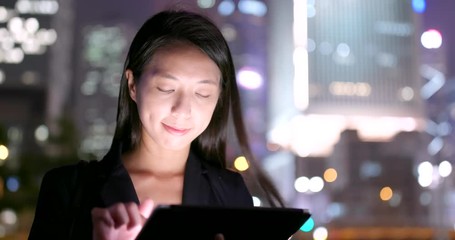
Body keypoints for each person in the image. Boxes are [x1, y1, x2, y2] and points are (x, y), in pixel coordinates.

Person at [28, 8, 285, 240]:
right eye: (166, 88)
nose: (183, 109)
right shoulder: (69, 189)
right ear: (132, 85)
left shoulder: (230, 193)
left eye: (203, 93)